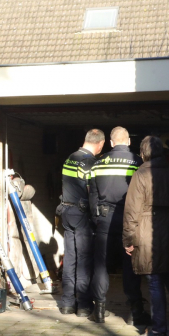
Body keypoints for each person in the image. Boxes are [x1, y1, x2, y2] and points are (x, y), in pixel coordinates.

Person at [123, 136, 169, 336]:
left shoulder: (140, 175)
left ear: (143, 153)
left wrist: (128, 239)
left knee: (154, 281)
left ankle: (159, 330)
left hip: (148, 231)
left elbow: (132, 211)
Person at [87, 126, 149, 325]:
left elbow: (92, 194)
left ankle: (99, 310)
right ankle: (135, 313)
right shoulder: (137, 162)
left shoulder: (98, 163)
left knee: (101, 265)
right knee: (130, 265)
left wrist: (96, 218)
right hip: (129, 220)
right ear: (129, 141)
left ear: (111, 143)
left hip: (104, 220)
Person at [59, 129, 104, 316]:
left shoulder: (70, 158)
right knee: (84, 260)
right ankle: (84, 305)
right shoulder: (89, 162)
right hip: (81, 214)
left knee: (70, 258)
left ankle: (67, 303)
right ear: (100, 144)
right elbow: (90, 191)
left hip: (66, 211)